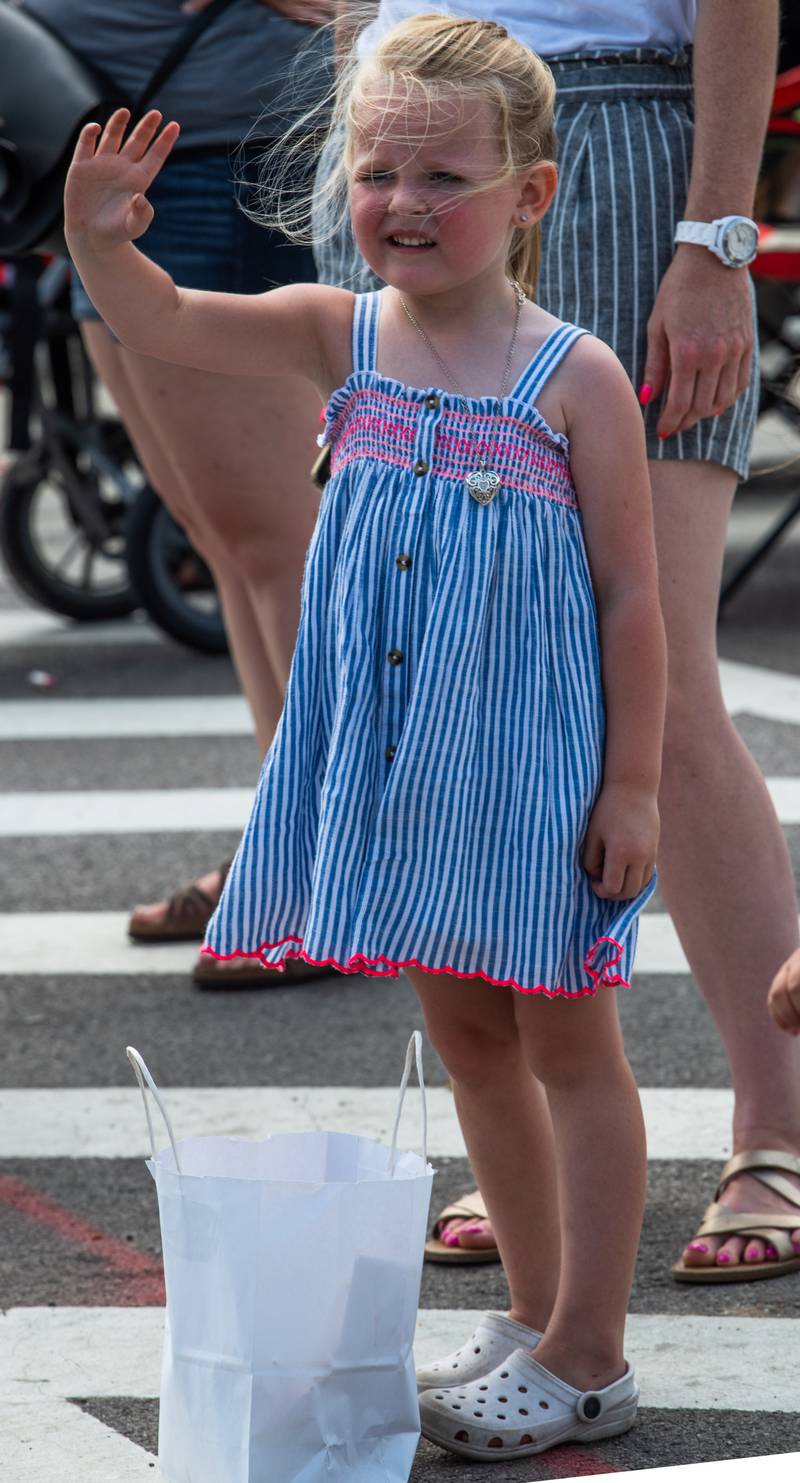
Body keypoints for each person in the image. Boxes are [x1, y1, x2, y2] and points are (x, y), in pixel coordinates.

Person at [63, 12, 669, 1458]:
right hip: (403, 770)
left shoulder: (571, 375)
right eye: (378, 169)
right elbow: (162, 321)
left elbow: (636, 597)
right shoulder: (343, 334)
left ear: (531, 195)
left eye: (444, 176)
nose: (402, 203)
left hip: (530, 774)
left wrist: (633, 783)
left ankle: (591, 1346)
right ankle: (531, 1310)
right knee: (465, 1034)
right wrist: (98, 239)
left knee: (570, 1044)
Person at [320, 0, 800, 1283]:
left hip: (618, 140)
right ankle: (537, 1140)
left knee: (661, 685)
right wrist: (358, 148)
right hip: (411, 114)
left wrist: (715, 234)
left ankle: (778, 1124)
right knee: (478, 687)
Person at [22, 0, 334, 984]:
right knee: (229, 540)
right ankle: (287, 846)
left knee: (276, 546)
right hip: (111, 152)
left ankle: (321, 873)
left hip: (214, 149)